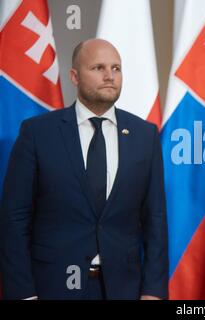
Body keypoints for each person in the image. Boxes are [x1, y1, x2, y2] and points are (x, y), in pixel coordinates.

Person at [0, 39, 168, 300]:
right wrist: (23, 293)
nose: (109, 76)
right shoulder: (37, 133)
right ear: (74, 76)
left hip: (123, 289)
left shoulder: (145, 135)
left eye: (116, 68)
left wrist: (153, 291)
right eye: (98, 67)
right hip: (53, 287)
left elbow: (155, 220)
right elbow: (14, 220)